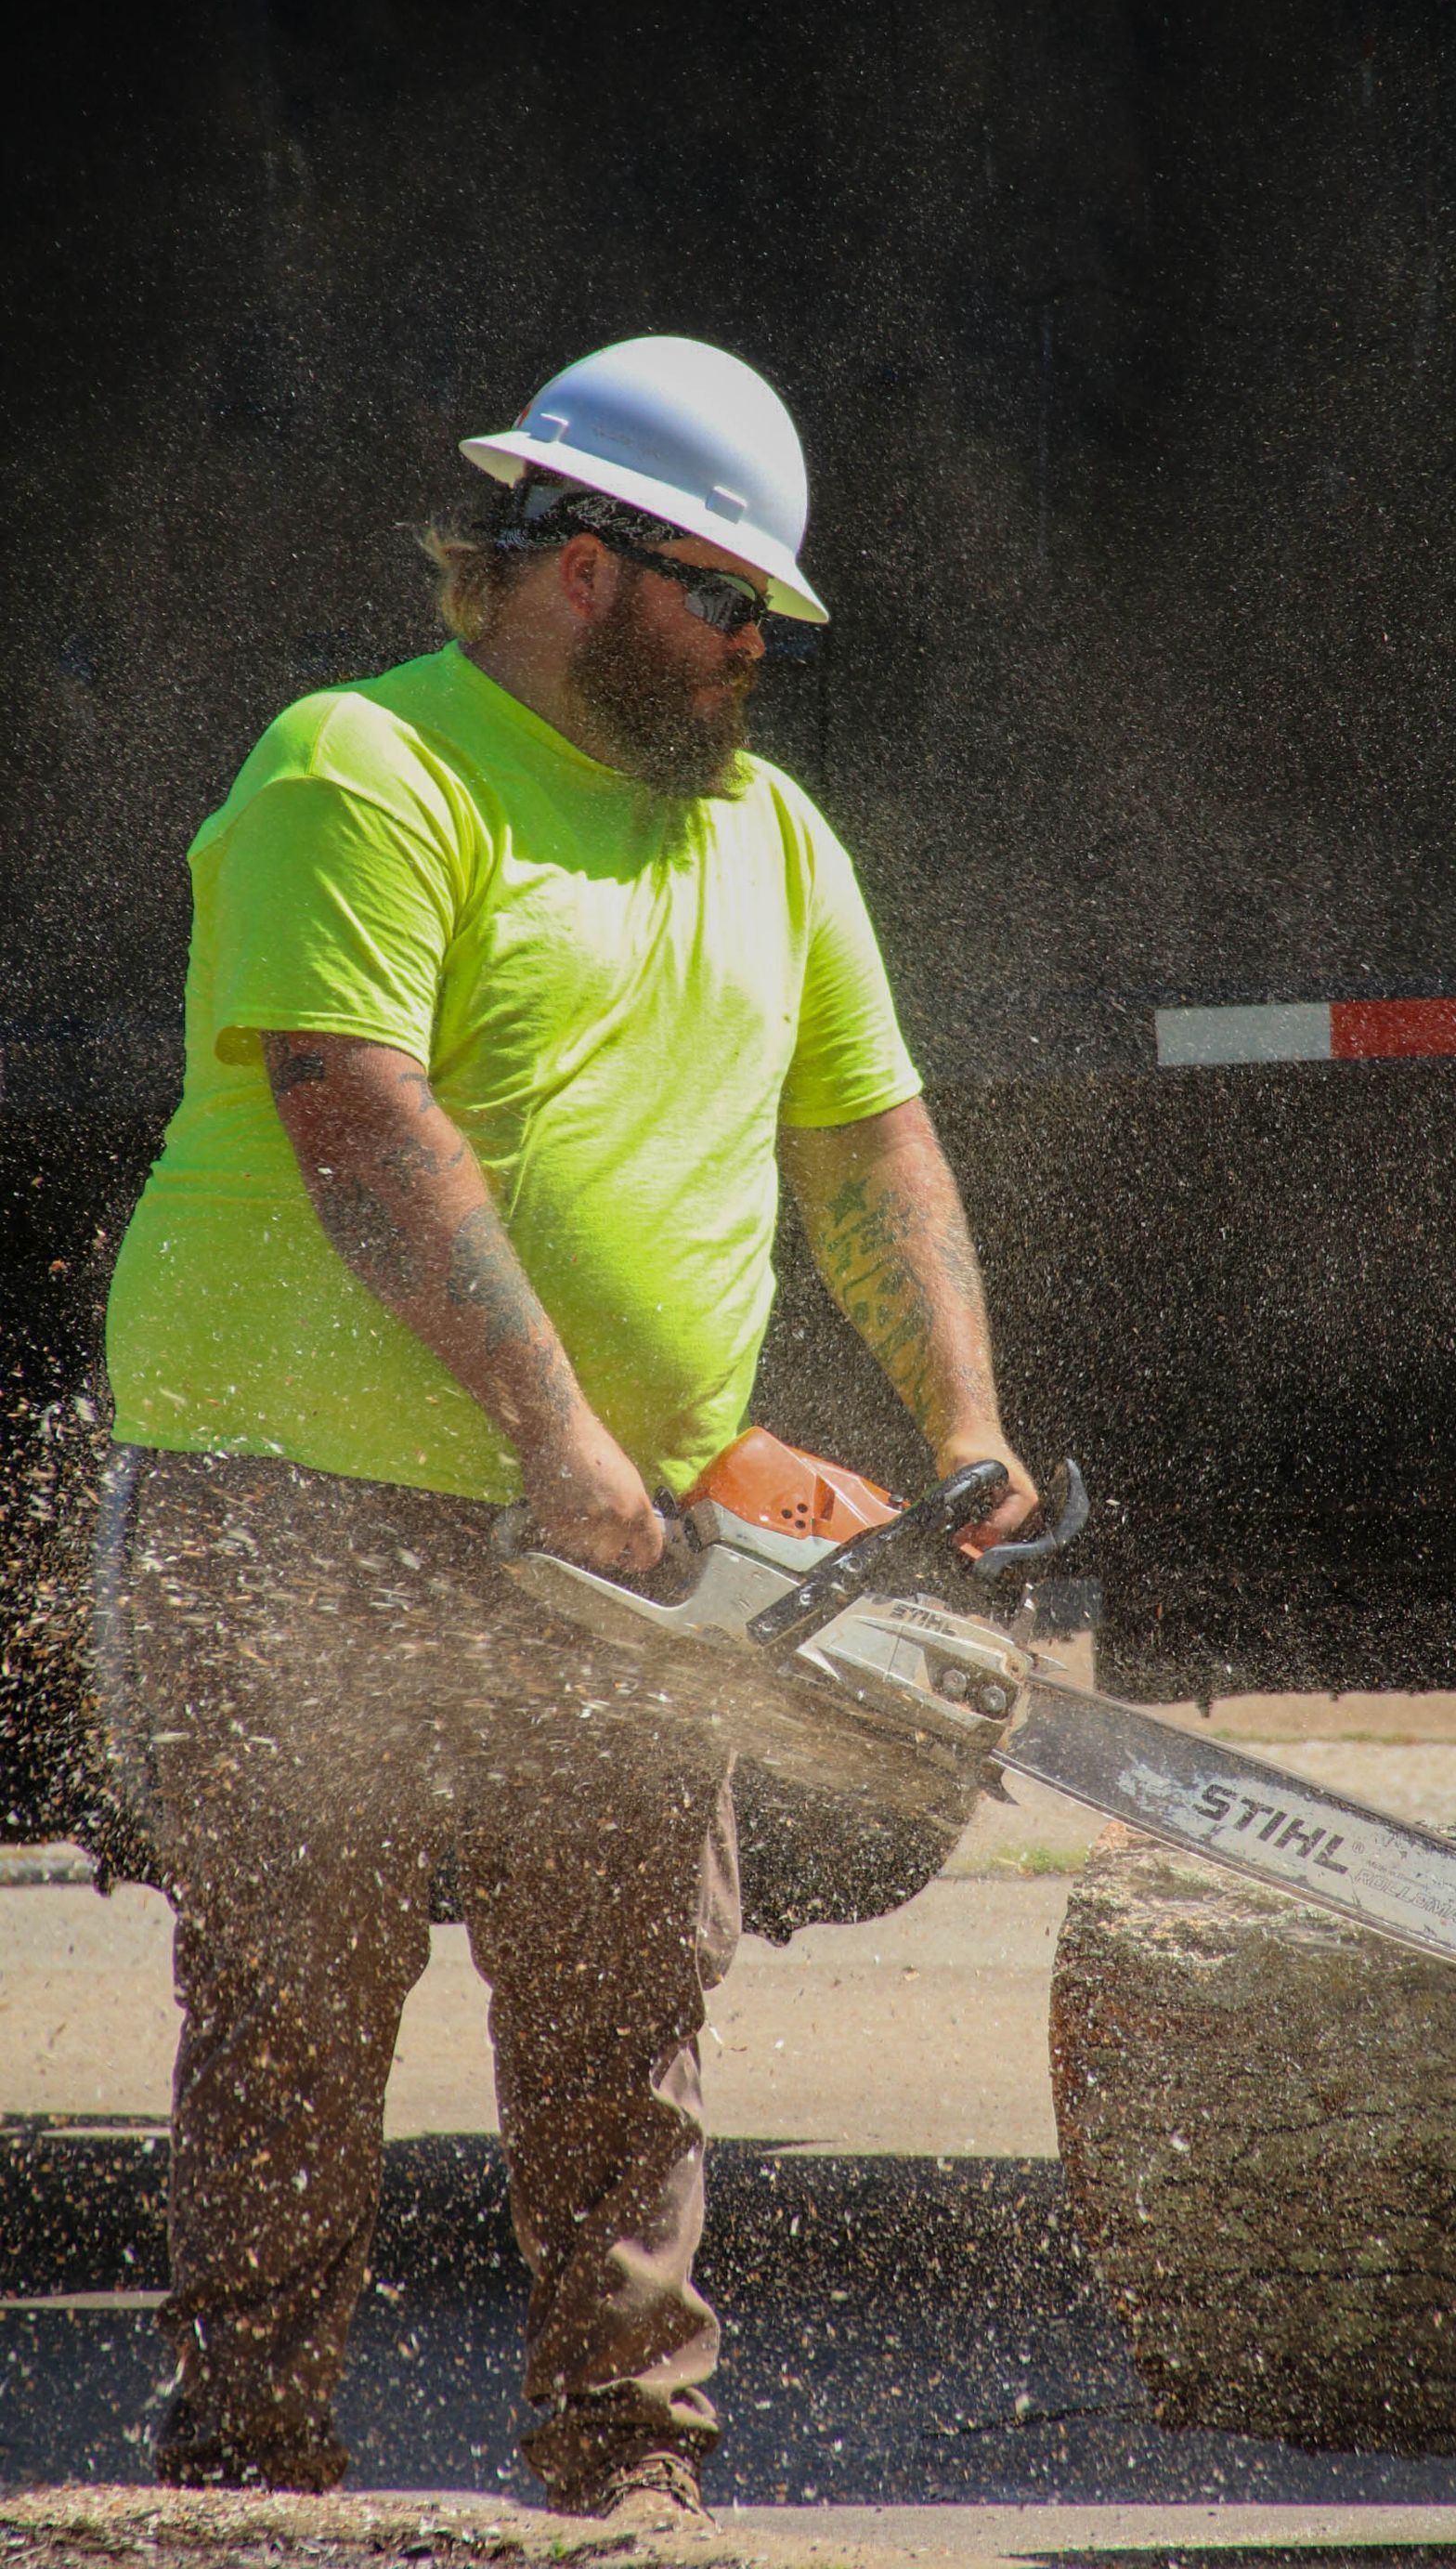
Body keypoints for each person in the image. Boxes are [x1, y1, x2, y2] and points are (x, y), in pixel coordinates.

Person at [100, 335, 1037, 2523]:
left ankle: (628, 2481)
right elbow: (352, 1110)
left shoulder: (768, 837)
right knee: (289, 2023)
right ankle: (248, 2489)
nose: (754, 659)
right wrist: (555, 1438)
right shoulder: (366, 768)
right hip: (306, 1508)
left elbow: (867, 1138)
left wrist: (963, 1424)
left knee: (628, 2036)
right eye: (731, 606)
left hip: (625, 1542)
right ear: (587, 567)